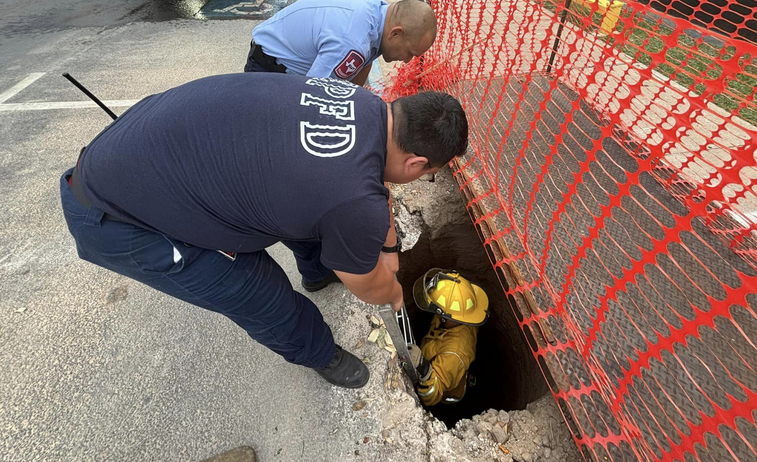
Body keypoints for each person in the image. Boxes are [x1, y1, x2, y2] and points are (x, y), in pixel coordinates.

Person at [61, 74, 467, 389]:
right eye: (428, 173)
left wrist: (388, 243)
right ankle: (319, 354)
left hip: (135, 149)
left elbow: (376, 190)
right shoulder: (352, 199)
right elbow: (369, 286)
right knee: (258, 292)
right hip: (120, 216)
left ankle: (317, 271)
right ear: (417, 163)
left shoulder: (363, 104)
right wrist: (394, 293)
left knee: (307, 206)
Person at [244, 0, 437, 86]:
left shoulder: (379, 14)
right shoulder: (352, 43)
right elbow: (313, 95)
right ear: (396, 33)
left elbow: (363, 68)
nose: (407, 60)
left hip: (281, 61)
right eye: (410, 52)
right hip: (268, 70)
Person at [408, 269, 489, 406]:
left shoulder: (454, 355)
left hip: (446, 391)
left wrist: (424, 368)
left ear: (445, 316)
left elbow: (430, 396)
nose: (434, 314)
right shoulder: (463, 314)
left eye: (437, 311)